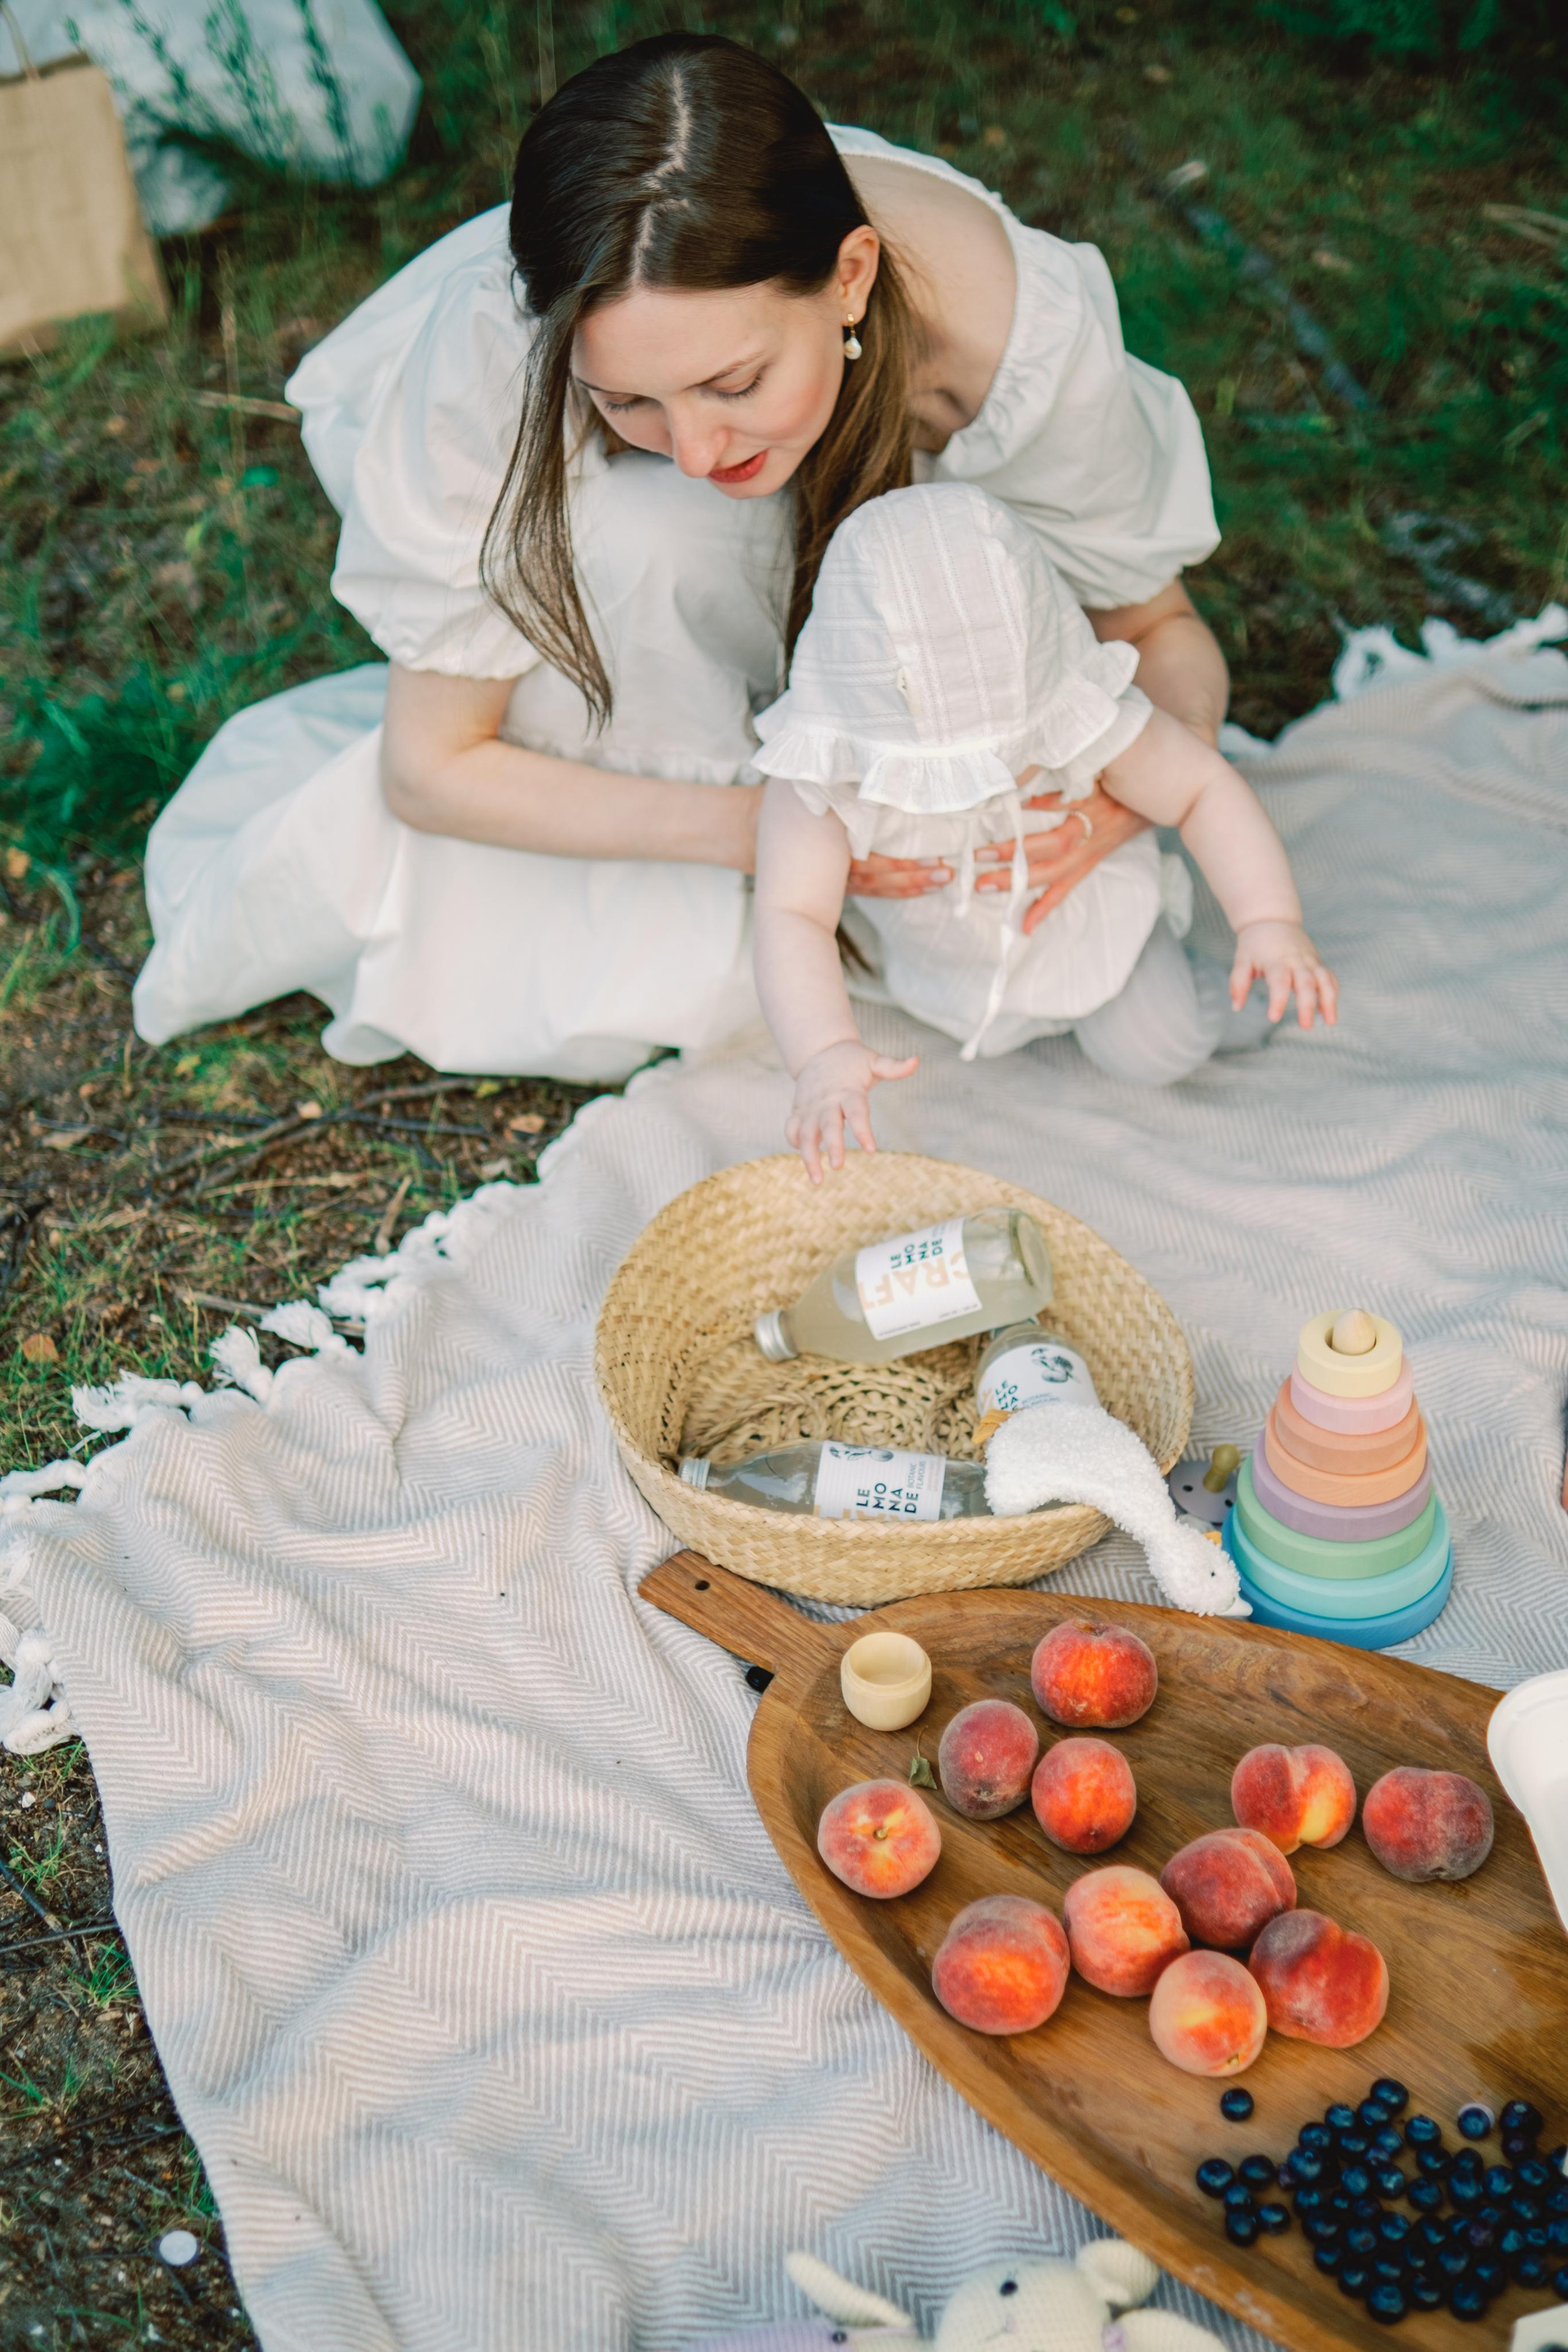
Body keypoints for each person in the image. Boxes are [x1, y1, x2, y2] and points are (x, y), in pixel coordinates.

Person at [132, 31, 1229, 1084]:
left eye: (736, 383)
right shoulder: (496, 350)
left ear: (851, 279)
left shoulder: (1009, 341)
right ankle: (805, 907)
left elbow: (1156, 630)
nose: (699, 449)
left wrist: (1126, 803)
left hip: (938, 675)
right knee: (663, 526)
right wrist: (790, 834)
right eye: (627, 405)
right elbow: (428, 769)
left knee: (1143, 1024)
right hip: (681, 685)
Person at [748, 483, 1338, 1181]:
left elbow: (1203, 789)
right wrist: (821, 1054)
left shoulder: (1078, 711)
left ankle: (1220, 990)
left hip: (1088, 927)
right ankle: (1006, 1016)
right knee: (914, 1015)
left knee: (1159, 1047)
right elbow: (792, 914)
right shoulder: (825, 766)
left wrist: (1267, 920)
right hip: (939, 954)